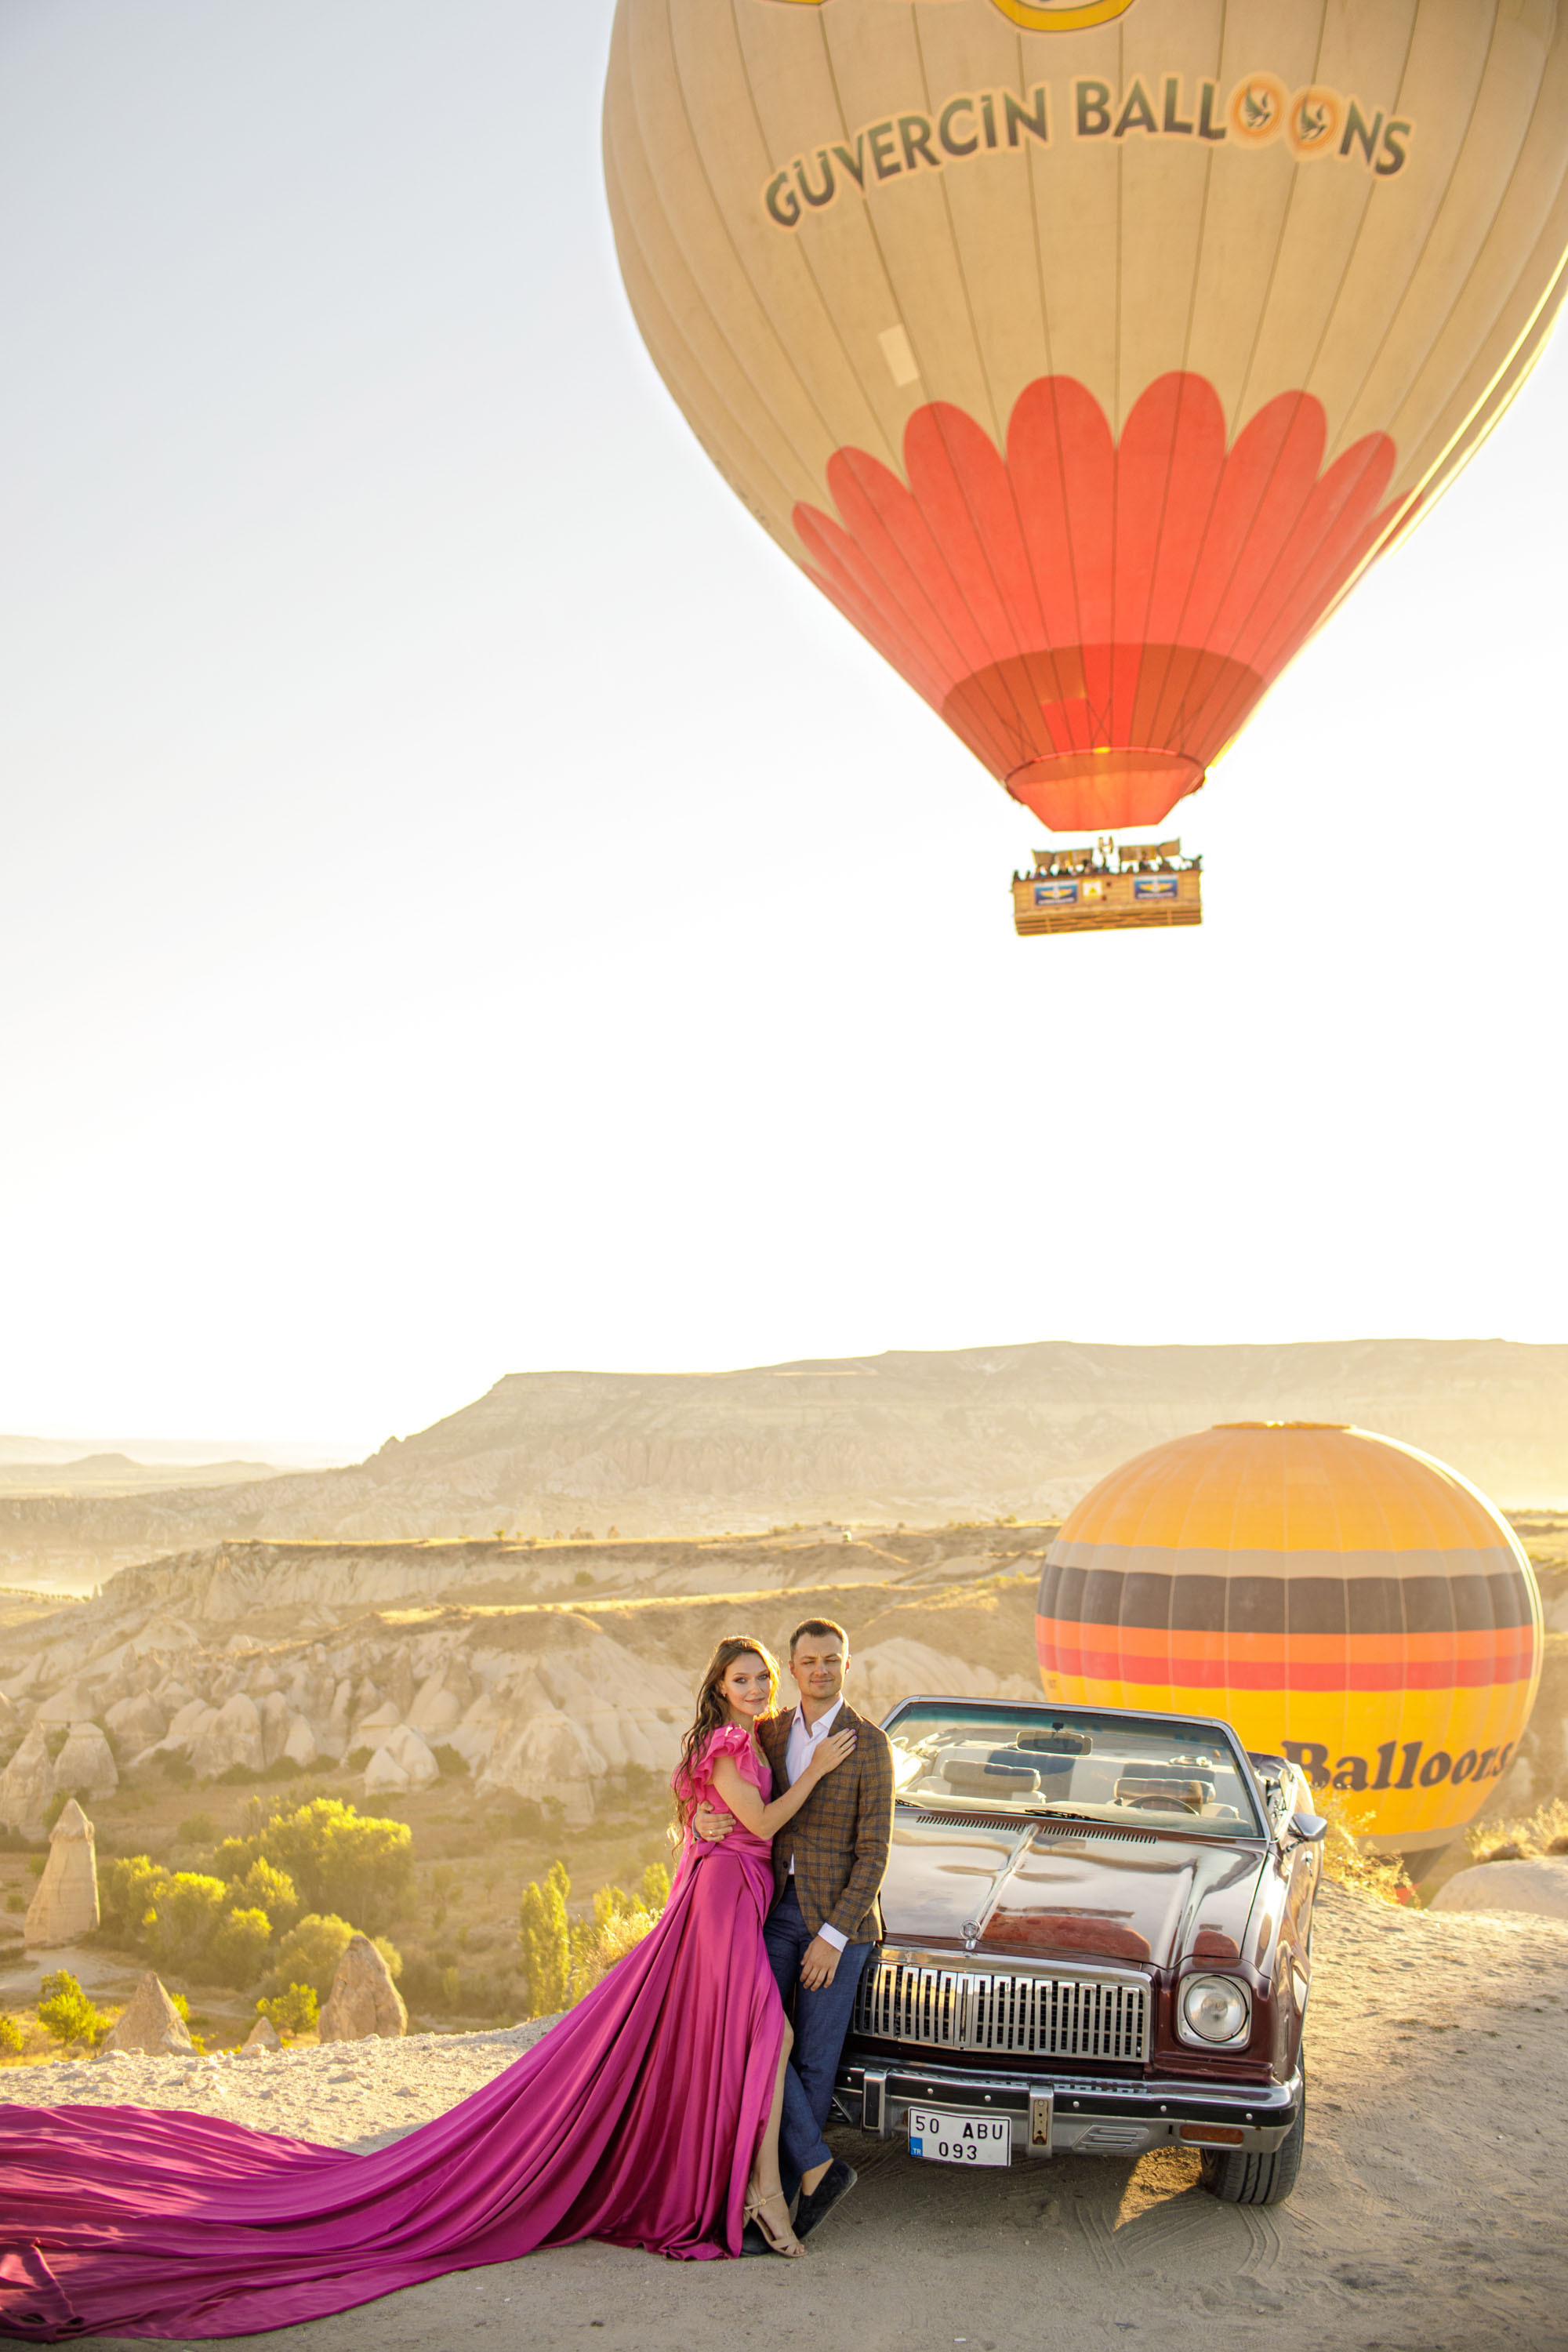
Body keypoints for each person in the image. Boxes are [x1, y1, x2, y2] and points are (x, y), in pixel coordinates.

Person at [0, 1635, 854, 2340]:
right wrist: (801, 1787)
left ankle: (757, 2187)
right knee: (760, 2036)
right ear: (719, 1686)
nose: (754, 1688)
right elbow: (765, 1821)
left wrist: (726, 1819)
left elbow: (718, 1818)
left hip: (727, 1896)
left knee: (741, 2037)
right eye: (741, 1679)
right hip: (717, 1904)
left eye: (760, 1679)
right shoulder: (732, 1742)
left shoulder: (745, 1739)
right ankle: (764, 2195)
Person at [693, 1615, 893, 2246]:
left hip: (840, 1927)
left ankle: (789, 2193)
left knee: (811, 2063)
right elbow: (731, 1794)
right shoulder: (770, 1733)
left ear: (847, 1665)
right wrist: (701, 1820)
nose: (820, 1670)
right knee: (759, 2044)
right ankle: (802, 2178)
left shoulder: (872, 1744)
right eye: (809, 1661)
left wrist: (833, 1937)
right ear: (794, 1666)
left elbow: (874, 1853)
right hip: (774, 1912)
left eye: (832, 1660)